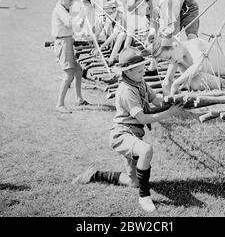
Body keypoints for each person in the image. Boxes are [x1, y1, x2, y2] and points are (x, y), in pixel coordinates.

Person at [72, 47, 182, 213]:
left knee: (132, 181)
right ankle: (144, 197)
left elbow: (156, 100)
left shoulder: (140, 82)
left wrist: (172, 98)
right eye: (139, 70)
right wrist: (169, 113)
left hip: (133, 134)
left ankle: (95, 175)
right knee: (146, 150)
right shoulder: (126, 91)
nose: (143, 72)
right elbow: (143, 119)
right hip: (121, 134)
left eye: (143, 68)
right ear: (128, 71)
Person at [149, 36, 225, 95]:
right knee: (187, 78)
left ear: (175, 45)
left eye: (169, 57)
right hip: (210, 78)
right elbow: (168, 79)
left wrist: (176, 83)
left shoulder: (194, 44)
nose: (171, 61)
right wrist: (167, 92)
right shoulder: (177, 56)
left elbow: (199, 66)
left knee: (194, 81)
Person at [51, 0, 89, 113]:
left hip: (67, 41)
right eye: (69, 0)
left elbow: (76, 26)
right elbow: (70, 22)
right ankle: (59, 105)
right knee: (69, 75)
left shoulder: (63, 9)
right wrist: (82, 13)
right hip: (63, 43)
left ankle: (79, 99)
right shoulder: (60, 9)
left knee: (78, 70)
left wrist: (83, 18)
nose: (71, 2)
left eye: (72, 0)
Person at [126, 0, 200, 41]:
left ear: (142, 4)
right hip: (173, 11)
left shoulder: (162, 3)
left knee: (190, 36)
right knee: (168, 37)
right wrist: (149, 39)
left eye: (136, 11)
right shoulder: (148, 10)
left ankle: (196, 55)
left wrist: (162, 37)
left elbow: (169, 29)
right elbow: (153, 29)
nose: (137, 15)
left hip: (187, 6)